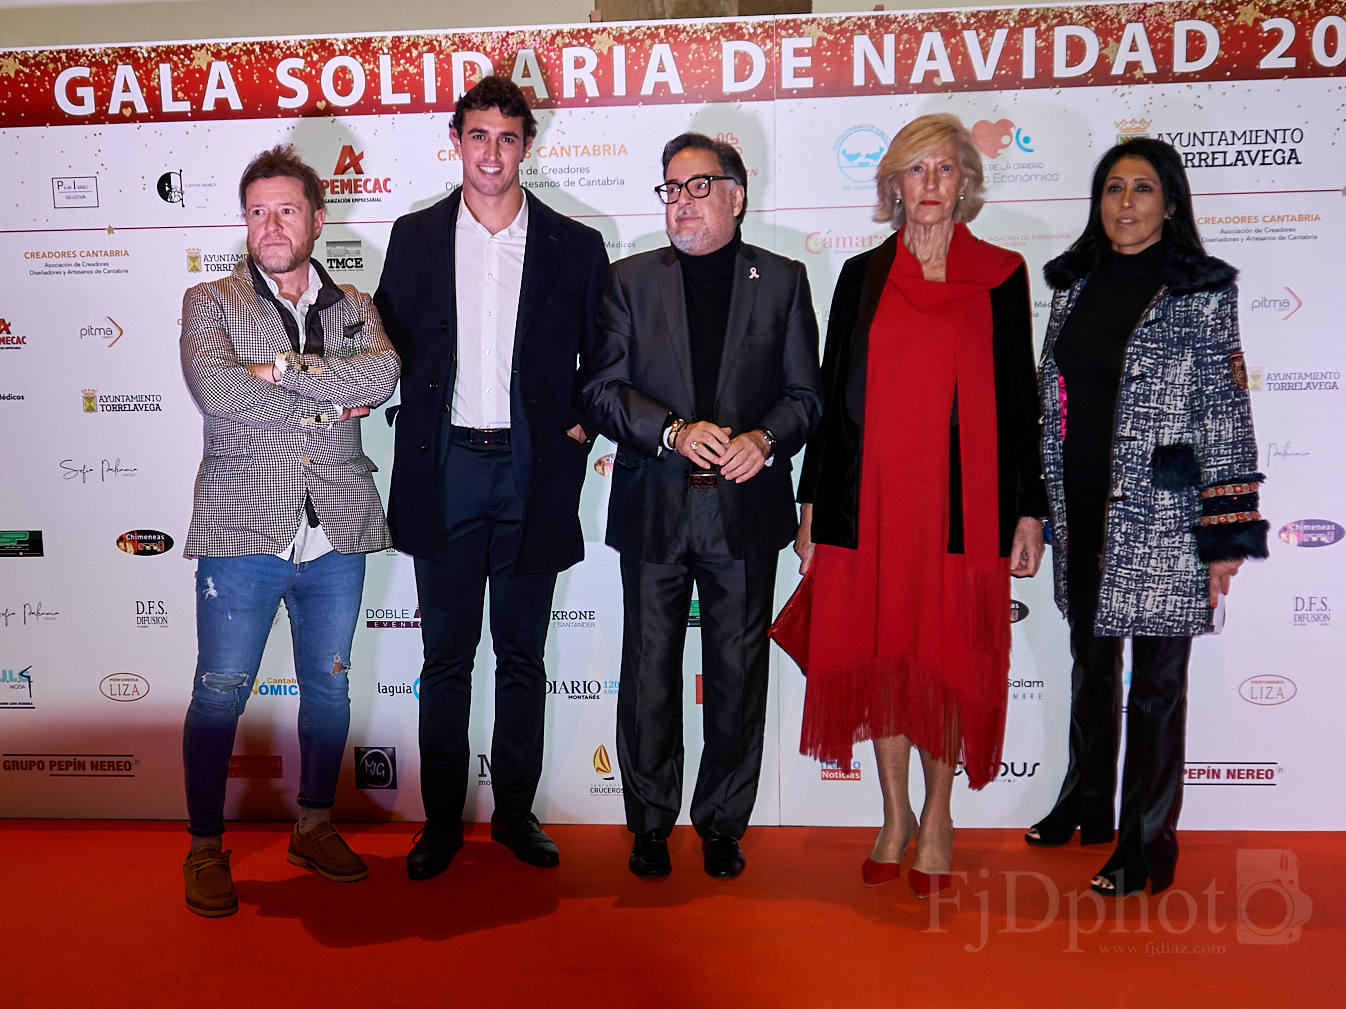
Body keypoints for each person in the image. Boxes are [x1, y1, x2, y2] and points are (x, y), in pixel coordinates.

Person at [792, 114, 1046, 898]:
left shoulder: (1003, 275)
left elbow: (1021, 401)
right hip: (869, 511)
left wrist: (1030, 511)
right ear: (893, 185)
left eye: (944, 169)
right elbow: (834, 403)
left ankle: (939, 816)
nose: (929, 184)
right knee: (883, 661)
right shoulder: (861, 277)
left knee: (944, 663)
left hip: (962, 517)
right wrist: (810, 509)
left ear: (966, 182)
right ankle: (893, 813)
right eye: (915, 170)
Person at [374, 76, 609, 880]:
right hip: (444, 471)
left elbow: (606, 358)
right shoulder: (413, 238)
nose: (492, 153)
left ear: (526, 147)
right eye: (479, 135)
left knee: (521, 655)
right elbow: (385, 350)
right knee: (444, 657)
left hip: (532, 471)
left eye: (508, 138)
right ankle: (440, 821)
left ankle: (513, 812)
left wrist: (579, 427)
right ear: (458, 142)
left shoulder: (574, 246)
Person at [1026, 138, 1267, 896]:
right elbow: (1050, 404)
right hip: (1084, 503)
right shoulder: (1073, 285)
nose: (1125, 203)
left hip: (1165, 513)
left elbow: (1224, 415)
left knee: (1158, 684)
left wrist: (1225, 535)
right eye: (1112, 189)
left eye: (1142, 188)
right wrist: (1039, 505)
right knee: (1091, 665)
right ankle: (1088, 801)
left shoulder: (1200, 290)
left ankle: (1147, 842)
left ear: (1171, 202)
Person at [584, 132, 822, 879]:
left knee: (736, 673)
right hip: (655, 506)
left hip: (745, 513)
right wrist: (673, 431)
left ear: (735, 196)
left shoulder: (782, 280)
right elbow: (600, 392)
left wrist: (768, 438)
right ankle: (650, 822)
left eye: (696, 187)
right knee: (650, 671)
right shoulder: (629, 281)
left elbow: (807, 398)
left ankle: (722, 821)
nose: (680, 203)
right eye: (670, 188)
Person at [179, 144, 400, 917]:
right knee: (219, 692)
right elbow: (218, 391)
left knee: (329, 689)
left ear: (316, 217)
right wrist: (319, 399)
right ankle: (205, 844)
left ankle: (314, 822)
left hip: (335, 531)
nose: (271, 224)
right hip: (243, 528)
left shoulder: (356, 305)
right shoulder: (208, 301)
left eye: (287, 209)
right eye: (257, 210)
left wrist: (282, 372)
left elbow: (382, 377)